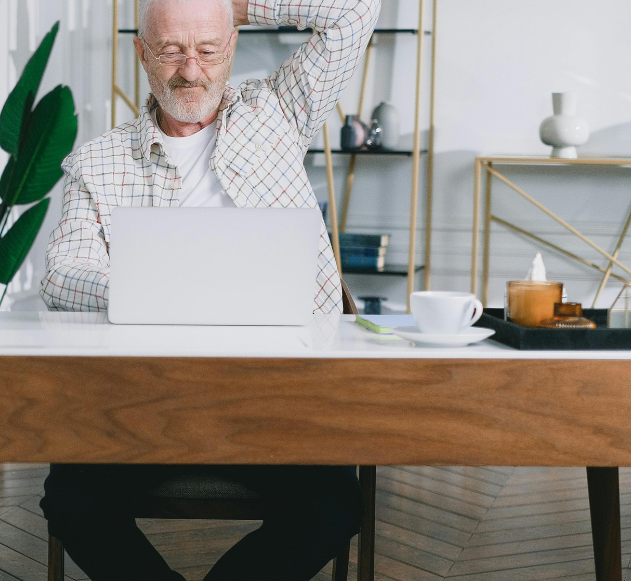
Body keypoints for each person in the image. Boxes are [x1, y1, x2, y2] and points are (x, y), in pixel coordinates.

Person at [38, 0, 378, 579]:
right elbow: (62, 276)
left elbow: (354, 12)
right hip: (150, 399)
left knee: (333, 504)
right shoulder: (96, 163)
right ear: (142, 54)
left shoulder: (278, 111)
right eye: (170, 51)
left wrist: (233, 2)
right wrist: (172, 291)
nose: (190, 71)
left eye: (207, 50)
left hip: (280, 392)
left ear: (234, 48)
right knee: (73, 501)